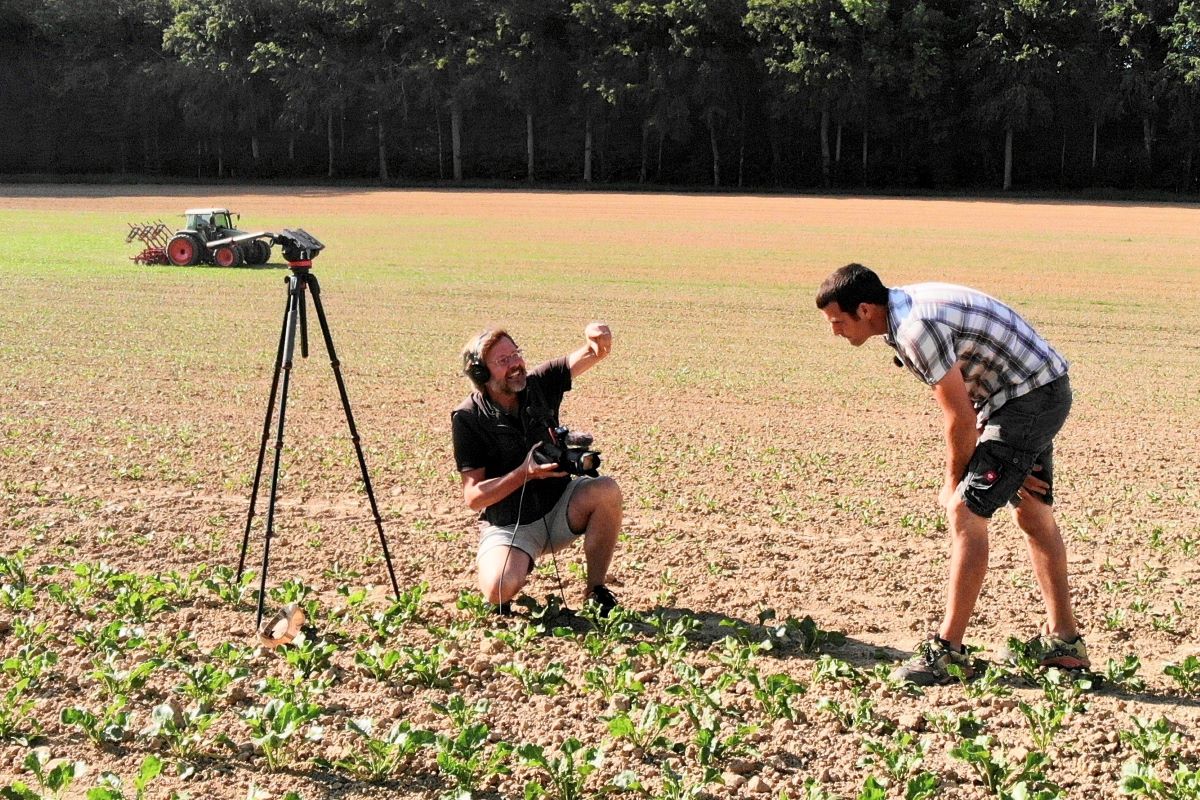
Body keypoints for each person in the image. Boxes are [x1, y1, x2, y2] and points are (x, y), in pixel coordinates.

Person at [815, 263, 1088, 686]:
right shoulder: (901, 312)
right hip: (1029, 393)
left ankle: (947, 652)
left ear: (864, 310)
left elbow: (958, 418)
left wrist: (954, 480)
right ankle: (1065, 645)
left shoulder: (914, 329)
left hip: (1028, 398)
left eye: (836, 321)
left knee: (964, 510)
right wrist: (1008, 458)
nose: (833, 332)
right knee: (1032, 511)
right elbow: (970, 386)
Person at [451, 322, 623, 616]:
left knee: (605, 490)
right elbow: (473, 497)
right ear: (481, 373)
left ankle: (596, 590)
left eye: (516, 354)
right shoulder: (468, 417)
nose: (516, 364)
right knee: (498, 590)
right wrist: (524, 473)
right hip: (510, 526)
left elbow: (591, 353)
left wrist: (597, 339)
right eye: (503, 361)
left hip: (561, 508)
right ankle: (512, 562)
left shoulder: (539, 384)